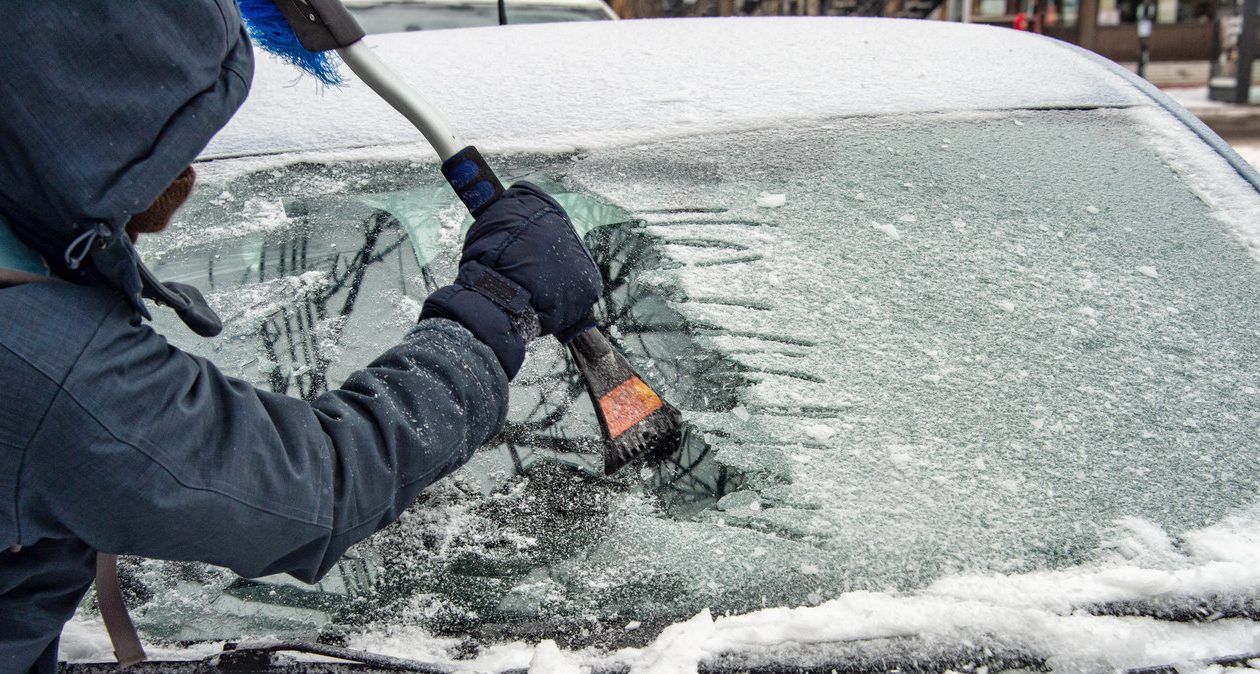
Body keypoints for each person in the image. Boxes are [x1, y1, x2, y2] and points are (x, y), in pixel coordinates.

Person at [0, 3, 602, 672]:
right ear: (98, 143)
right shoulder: (41, 361)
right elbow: (320, 484)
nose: (181, 176)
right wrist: (493, 309)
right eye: (164, 149)